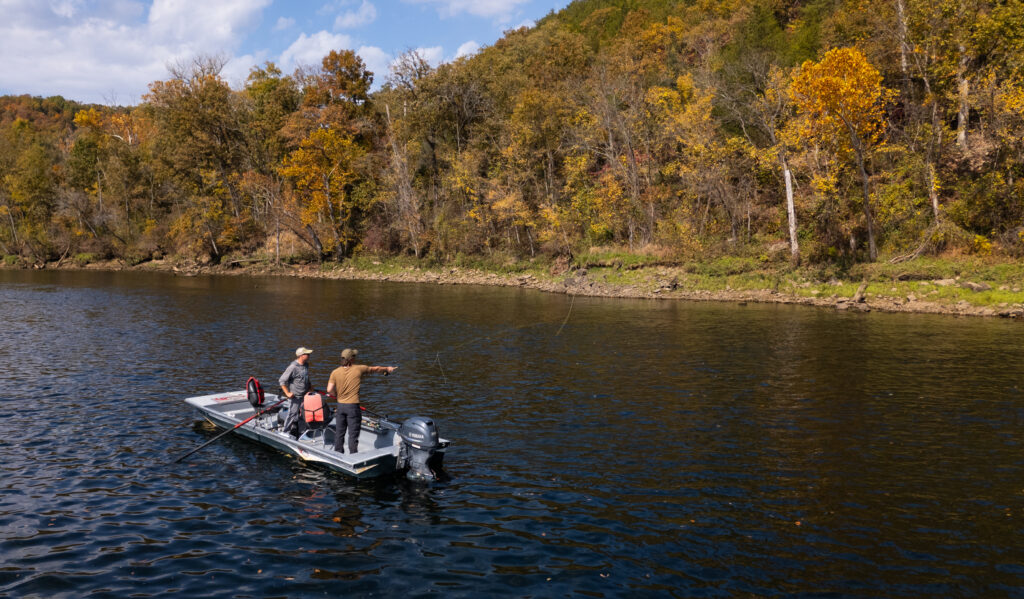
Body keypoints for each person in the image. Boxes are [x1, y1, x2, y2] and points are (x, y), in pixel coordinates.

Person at [326, 348, 397, 454]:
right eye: (354, 356)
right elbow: (376, 369)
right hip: (353, 408)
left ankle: (338, 454)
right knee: (353, 435)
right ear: (351, 359)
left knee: (339, 433)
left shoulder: (335, 372)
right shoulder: (359, 369)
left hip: (340, 407)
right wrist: (387, 368)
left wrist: (335, 395)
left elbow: (329, 389)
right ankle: (353, 456)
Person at [279, 347, 315, 439]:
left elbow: (305, 377)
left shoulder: (306, 365)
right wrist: (287, 393)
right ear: (301, 356)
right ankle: (285, 432)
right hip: (295, 396)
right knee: (292, 414)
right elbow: (282, 381)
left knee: (303, 414)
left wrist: (310, 386)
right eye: (307, 354)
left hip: (305, 395)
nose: (309, 355)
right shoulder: (293, 367)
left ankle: (302, 433)